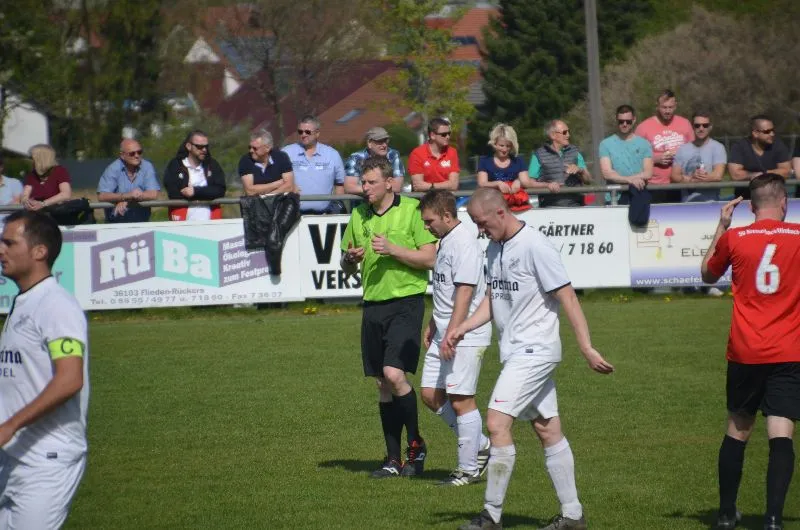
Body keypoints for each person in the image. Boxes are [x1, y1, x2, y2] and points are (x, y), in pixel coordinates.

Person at [448, 188, 614, 530]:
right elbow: (494, 298)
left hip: (535, 350)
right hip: (515, 351)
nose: (480, 230)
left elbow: (568, 297)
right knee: (547, 429)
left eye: (482, 222)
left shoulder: (535, 246)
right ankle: (573, 515)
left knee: (496, 423)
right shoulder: (493, 247)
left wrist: (586, 347)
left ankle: (491, 515)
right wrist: (463, 326)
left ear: (501, 213)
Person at [701, 174, 799, 530]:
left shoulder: (735, 237)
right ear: (783, 202)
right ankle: (773, 519)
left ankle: (727, 513)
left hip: (746, 350)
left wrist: (722, 225)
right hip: (788, 350)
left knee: (738, 429)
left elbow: (706, 274)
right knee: (781, 432)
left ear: (752, 206)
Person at [340, 156, 436, 478]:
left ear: (390, 182)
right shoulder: (358, 215)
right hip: (373, 304)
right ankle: (393, 460)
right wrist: (349, 259)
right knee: (383, 383)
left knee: (394, 375)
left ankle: (416, 444)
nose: (364, 188)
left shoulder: (412, 210)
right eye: (363, 182)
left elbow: (430, 258)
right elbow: (346, 267)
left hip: (406, 301)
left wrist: (394, 249)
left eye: (371, 182)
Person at [0, 210, 89, 529]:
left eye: (9, 243)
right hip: (12, 455)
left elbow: (70, 379)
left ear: (40, 251)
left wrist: (10, 425)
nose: (1, 250)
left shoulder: (56, 305)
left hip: (46, 461)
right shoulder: (25, 301)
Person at [417, 190, 492, 486]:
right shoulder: (446, 239)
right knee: (430, 394)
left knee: (461, 400)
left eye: (429, 221)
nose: (426, 227)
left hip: (465, 334)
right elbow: (445, 289)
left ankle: (468, 469)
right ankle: (481, 444)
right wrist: (434, 323)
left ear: (447, 216)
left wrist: (452, 331)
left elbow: (464, 292)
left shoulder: (464, 243)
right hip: (445, 330)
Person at [634, 89, 693, 203]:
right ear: (657, 106)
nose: (667, 111)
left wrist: (680, 155)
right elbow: (634, 157)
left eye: (670, 107)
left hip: (681, 184)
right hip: (653, 186)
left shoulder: (685, 124)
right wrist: (655, 159)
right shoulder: (644, 127)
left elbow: (695, 151)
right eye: (664, 107)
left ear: (675, 106)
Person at [282, 115, 346, 214]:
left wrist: (336, 208)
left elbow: (340, 184)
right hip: (294, 215)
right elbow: (277, 179)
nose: (303, 135)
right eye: (300, 132)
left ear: (317, 133)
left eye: (307, 132)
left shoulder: (332, 154)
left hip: (324, 215)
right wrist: (289, 186)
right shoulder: (287, 152)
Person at [526, 120, 592, 208]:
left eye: (568, 131)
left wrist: (581, 171)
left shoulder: (575, 152)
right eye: (564, 132)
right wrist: (548, 185)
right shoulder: (538, 155)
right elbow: (530, 183)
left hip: (576, 206)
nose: (568, 135)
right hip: (549, 208)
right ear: (553, 135)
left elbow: (588, 180)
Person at [163, 130, 226, 221]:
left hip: (210, 222)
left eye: (206, 146)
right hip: (183, 221)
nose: (204, 150)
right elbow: (173, 192)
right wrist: (206, 193)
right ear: (189, 146)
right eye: (199, 147)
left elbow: (220, 190)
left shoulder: (212, 165)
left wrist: (195, 191)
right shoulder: (176, 165)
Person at [598, 105, 654, 203]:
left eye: (628, 121)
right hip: (615, 197)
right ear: (616, 120)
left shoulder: (645, 144)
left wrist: (630, 180)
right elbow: (607, 173)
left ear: (634, 120)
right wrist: (630, 180)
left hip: (639, 194)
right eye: (621, 121)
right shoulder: (605, 144)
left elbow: (648, 173)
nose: (624, 124)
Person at [728, 115, 791, 200]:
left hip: (774, 199)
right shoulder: (739, 147)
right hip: (745, 199)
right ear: (755, 133)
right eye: (767, 131)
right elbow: (735, 174)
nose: (772, 134)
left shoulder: (778, 145)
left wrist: (763, 174)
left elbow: (786, 171)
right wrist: (753, 175)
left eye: (773, 130)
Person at [97, 138, 160, 223]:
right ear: (122, 155)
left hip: (142, 224)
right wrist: (127, 196)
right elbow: (102, 195)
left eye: (139, 152)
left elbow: (153, 194)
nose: (137, 156)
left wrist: (128, 200)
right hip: (116, 224)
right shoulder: (112, 169)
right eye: (132, 153)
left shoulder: (147, 166)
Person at [670, 110, 726, 202]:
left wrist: (699, 178)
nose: (701, 128)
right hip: (687, 204)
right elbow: (674, 176)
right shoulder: (682, 149)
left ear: (710, 127)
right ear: (692, 127)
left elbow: (718, 175)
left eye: (705, 125)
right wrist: (691, 179)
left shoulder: (718, 147)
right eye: (697, 125)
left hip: (711, 204)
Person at [476, 124, 531, 211]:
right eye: (501, 145)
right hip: (491, 206)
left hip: (516, 206)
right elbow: (482, 183)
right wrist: (497, 183)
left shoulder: (518, 160)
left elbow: (527, 182)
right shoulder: (484, 160)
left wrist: (518, 181)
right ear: (494, 144)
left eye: (508, 146)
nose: (505, 149)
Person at [344, 127, 405, 194]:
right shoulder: (356, 158)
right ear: (369, 143)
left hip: (386, 200)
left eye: (386, 140)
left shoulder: (393, 155)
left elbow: (397, 187)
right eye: (380, 141)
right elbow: (349, 187)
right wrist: (376, 189)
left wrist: (373, 189)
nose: (384, 145)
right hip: (364, 200)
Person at [408, 118, 460, 191]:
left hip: (446, 196)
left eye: (449, 133)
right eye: (444, 134)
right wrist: (446, 185)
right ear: (432, 135)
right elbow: (418, 186)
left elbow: (454, 185)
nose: (448, 137)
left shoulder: (452, 152)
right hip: (425, 197)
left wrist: (431, 186)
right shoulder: (417, 154)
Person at [239, 130, 295, 196]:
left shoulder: (281, 157)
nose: (251, 150)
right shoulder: (246, 160)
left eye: (255, 148)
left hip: (280, 202)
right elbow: (250, 191)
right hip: (256, 203)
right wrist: (276, 184)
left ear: (267, 148)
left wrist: (267, 197)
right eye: (249, 147)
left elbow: (289, 186)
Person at [21, 144, 72, 211]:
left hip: (55, 213)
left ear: (40, 159)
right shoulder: (32, 175)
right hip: (36, 214)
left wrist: (43, 204)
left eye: (31, 158)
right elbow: (25, 195)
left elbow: (66, 194)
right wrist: (26, 202)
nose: (29, 160)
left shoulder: (59, 171)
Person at [0, 155, 23, 224]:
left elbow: (17, 205)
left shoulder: (14, 183)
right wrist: (8, 206)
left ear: (1, 167)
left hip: (8, 225)